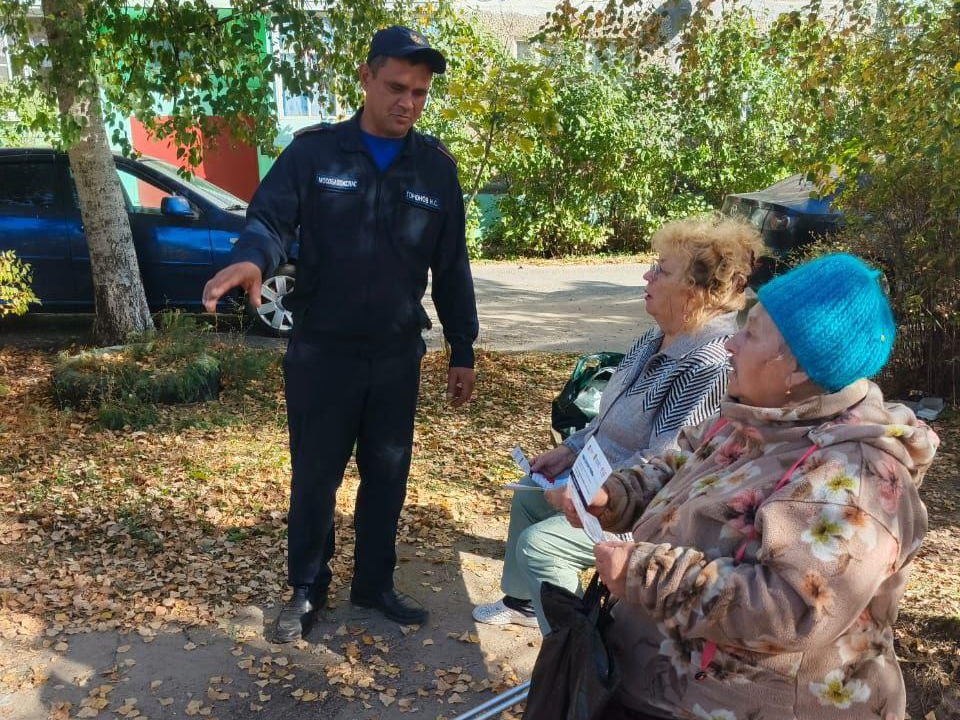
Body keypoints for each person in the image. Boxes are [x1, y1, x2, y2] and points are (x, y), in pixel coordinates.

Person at [566, 253, 939, 720]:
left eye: (750, 333)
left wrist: (647, 575)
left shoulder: (853, 482)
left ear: (798, 369)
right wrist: (615, 495)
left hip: (737, 706)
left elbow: (790, 611)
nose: (729, 345)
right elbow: (684, 461)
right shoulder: (759, 414)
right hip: (664, 683)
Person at [202, 26, 479, 642]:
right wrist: (255, 259)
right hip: (322, 353)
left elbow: (452, 265)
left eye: (420, 93)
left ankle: (374, 584)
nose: (407, 102)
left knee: (388, 474)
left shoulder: (434, 169)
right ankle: (306, 588)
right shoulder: (314, 154)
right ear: (366, 77)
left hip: (394, 355)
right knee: (316, 475)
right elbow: (269, 221)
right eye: (396, 87)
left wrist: (463, 346)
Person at [473, 217, 764, 633]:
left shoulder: (710, 362)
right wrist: (568, 452)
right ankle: (523, 602)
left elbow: (669, 462)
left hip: (642, 510)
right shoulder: (654, 337)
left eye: (661, 270)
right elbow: (608, 419)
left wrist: (594, 493)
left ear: (697, 292)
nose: (647, 275)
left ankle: (578, 658)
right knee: (528, 498)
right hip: (600, 483)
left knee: (541, 546)